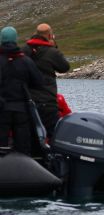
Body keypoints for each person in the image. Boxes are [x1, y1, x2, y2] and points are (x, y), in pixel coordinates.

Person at [0, 26, 44, 155]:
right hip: (21, 110)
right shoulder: (25, 61)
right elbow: (39, 82)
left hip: (1, 110)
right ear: (15, 40)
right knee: (23, 148)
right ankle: (24, 171)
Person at [22, 23, 70, 139]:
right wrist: (54, 46)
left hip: (27, 101)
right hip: (47, 101)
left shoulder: (23, 50)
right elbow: (64, 67)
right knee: (56, 135)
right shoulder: (52, 52)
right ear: (50, 36)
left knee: (31, 136)